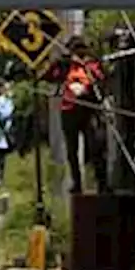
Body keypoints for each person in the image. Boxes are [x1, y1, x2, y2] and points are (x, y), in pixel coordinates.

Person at [42, 35, 109, 194]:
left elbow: (101, 80)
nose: (78, 52)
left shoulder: (92, 64)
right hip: (69, 110)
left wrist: (86, 70)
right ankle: (76, 183)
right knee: (72, 149)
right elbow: (49, 77)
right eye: (75, 49)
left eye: (81, 49)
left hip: (89, 110)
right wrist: (57, 63)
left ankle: (102, 183)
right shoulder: (65, 66)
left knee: (95, 147)